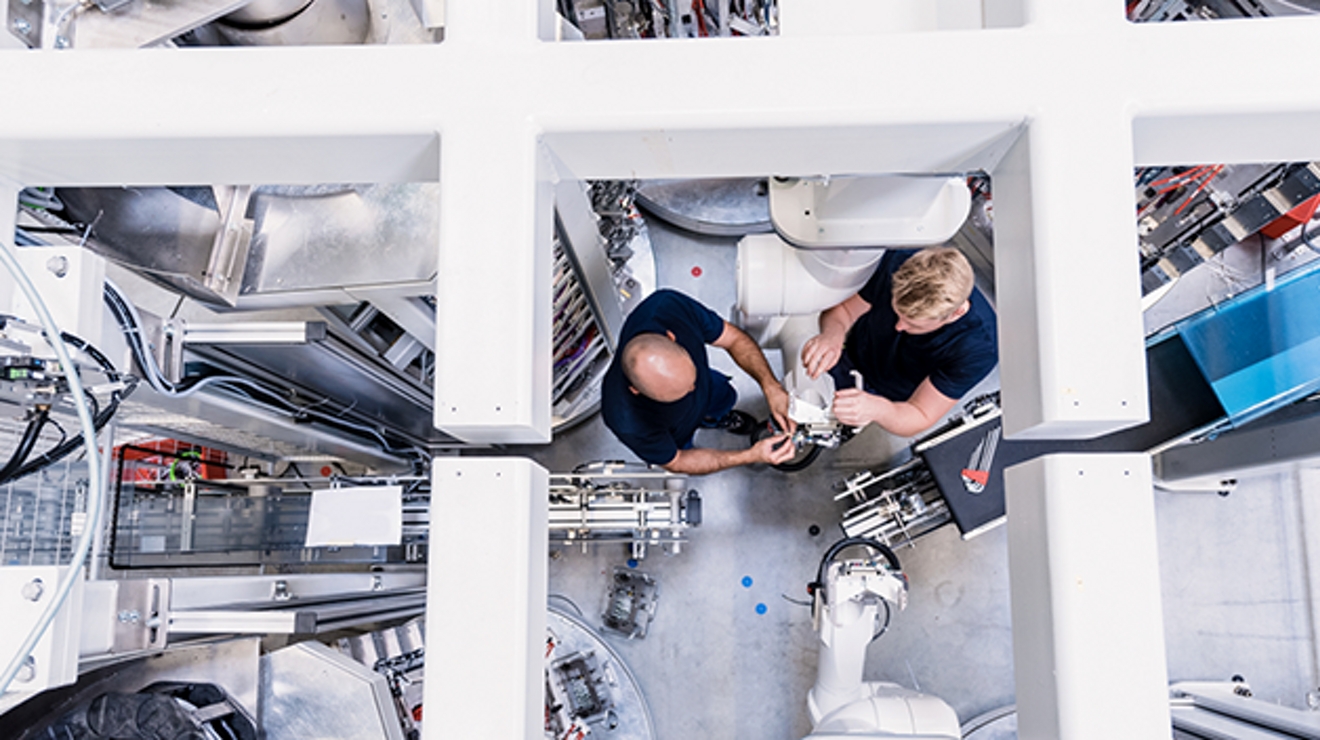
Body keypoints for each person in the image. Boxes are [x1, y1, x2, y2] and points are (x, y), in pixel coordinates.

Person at [801, 247, 997, 438]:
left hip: (887, 395)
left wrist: (878, 409)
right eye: (896, 313)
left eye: (913, 325)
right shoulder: (899, 264)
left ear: (956, 313)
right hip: (853, 348)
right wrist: (832, 334)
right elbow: (844, 310)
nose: (898, 327)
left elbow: (920, 413)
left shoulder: (980, 349)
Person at [602, 289, 798, 474]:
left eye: (691, 378)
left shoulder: (667, 307)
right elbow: (678, 461)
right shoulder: (626, 420)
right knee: (686, 446)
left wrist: (771, 386)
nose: (692, 389)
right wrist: (750, 455)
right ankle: (705, 421)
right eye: (675, 395)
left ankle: (718, 419)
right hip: (677, 429)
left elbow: (733, 339)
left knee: (724, 397)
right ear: (635, 390)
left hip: (710, 388)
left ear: (671, 337)